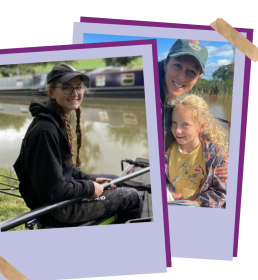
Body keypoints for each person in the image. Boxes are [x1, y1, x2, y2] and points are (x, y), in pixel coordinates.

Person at [13, 64, 143, 227]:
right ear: (52, 92)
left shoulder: (57, 118)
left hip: (58, 200)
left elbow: (65, 169)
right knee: (131, 197)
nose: (75, 93)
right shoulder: (46, 130)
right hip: (56, 210)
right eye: (67, 88)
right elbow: (54, 191)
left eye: (78, 87)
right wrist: (89, 187)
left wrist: (92, 179)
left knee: (117, 180)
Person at [158, 39, 228, 178]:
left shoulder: (184, 102)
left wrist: (223, 161)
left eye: (191, 71)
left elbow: (206, 134)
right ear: (166, 64)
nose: (182, 77)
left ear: (199, 77)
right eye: (177, 65)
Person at [164, 94, 228, 208]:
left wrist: (199, 203)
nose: (177, 130)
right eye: (174, 122)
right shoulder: (167, 152)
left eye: (185, 124)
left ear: (202, 126)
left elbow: (220, 191)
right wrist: (167, 193)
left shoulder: (213, 154)